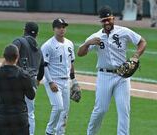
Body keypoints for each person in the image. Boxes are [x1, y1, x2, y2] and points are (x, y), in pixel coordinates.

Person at [77, 6, 146, 135]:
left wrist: (136, 56)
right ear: (101, 22)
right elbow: (80, 53)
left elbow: (142, 42)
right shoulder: (96, 37)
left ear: (113, 18)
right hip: (104, 76)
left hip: (122, 77)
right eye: (104, 20)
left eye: (109, 19)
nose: (107, 22)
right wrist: (87, 43)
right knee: (100, 110)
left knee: (124, 110)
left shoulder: (123, 31)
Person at [0, 45, 35, 135]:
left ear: (4, 56)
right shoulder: (24, 75)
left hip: (2, 116)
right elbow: (31, 95)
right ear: (17, 57)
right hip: (19, 117)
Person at [41, 18, 76, 135]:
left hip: (66, 81)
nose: (62, 29)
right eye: (59, 27)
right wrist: (50, 82)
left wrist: (74, 81)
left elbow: (71, 63)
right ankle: (49, 131)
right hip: (53, 80)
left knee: (65, 111)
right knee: (58, 107)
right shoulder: (48, 45)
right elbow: (44, 66)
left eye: (63, 27)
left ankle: (60, 133)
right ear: (53, 29)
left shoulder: (69, 44)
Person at [12, 22, 44, 135]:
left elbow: (11, 55)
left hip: (18, 82)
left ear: (24, 30)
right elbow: (42, 69)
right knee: (30, 113)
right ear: (37, 34)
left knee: (14, 111)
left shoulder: (19, 41)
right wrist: (38, 81)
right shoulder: (39, 49)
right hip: (31, 84)